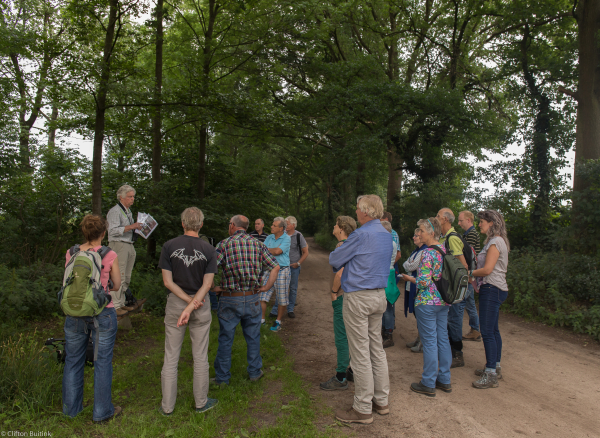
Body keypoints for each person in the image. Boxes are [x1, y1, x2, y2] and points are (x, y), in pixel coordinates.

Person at [329, 195, 392, 425]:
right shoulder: (386, 234)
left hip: (359, 297)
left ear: (365, 211)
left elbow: (336, 259)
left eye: (357, 208)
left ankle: (363, 408)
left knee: (360, 353)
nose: (355, 211)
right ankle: (381, 401)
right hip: (379, 296)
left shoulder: (361, 234)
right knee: (376, 348)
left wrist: (343, 251)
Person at [158, 207, 218, 415]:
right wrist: (193, 302)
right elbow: (208, 285)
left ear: (182, 223)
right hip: (200, 305)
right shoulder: (209, 250)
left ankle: (167, 407)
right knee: (200, 356)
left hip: (176, 304)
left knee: (171, 356)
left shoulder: (169, 246)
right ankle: (201, 403)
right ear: (201, 225)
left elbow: (168, 281)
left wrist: (186, 301)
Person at [62, 215, 122, 423]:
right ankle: (102, 411)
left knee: (72, 360)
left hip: (74, 313)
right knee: (102, 362)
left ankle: (71, 409)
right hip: (102, 313)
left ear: (84, 232)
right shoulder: (109, 253)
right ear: (103, 233)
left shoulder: (72, 252)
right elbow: (117, 284)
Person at [211, 215, 280, 385]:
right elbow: (275, 266)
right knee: (253, 336)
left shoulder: (224, 244)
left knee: (226, 338)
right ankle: (255, 372)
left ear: (233, 225)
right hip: (252, 297)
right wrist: (265, 287)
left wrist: (213, 287)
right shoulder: (258, 244)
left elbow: (210, 267)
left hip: (229, 298)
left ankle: (222, 378)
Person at [401, 217, 452, 397]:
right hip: (443, 301)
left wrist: (409, 279)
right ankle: (445, 379)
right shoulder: (444, 250)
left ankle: (428, 381)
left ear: (430, 232)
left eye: (421, 231)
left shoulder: (428, 253)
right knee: (442, 339)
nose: (419, 234)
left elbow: (423, 281)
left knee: (430, 341)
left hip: (427, 302)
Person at [470, 210, 510, 389]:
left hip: (492, 288)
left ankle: (491, 373)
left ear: (492, 223)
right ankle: (494, 366)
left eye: (482, 222)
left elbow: (487, 270)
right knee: (493, 330)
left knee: (486, 331)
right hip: (495, 288)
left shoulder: (495, 242)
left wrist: (468, 274)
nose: (479, 224)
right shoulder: (495, 241)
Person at [320, 215, 357, 391]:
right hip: (353, 296)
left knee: (341, 336)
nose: (333, 227)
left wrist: (334, 293)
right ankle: (352, 370)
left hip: (342, 296)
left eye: (335, 225)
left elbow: (340, 273)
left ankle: (341, 376)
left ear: (341, 229)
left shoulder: (342, 246)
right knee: (353, 336)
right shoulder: (354, 245)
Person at [106, 185, 146, 317]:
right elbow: (112, 231)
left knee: (127, 276)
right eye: (130, 197)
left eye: (133, 196)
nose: (132, 199)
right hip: (119, 244)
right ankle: (114, 305)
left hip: (129, 244)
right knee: (119, 274)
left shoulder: (128, 211)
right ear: (121, 197)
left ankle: (121, 302)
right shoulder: (115, 211)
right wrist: (131, 226)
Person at [436, 208, 468, 368]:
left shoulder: (452, 238)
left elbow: (462, 265)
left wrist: (456, 288)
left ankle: (457, 354)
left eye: (438, 216)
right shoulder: (443, 237)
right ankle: (449, 351)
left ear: (446, 220)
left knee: (454, 319)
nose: (436, 218)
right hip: (446, 285)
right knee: (448, 319)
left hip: (453, 287)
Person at [268, 216, 308, 319]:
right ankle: (275, 310)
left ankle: (290, 309)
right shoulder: (282, 235)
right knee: (280, 288)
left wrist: (298, 263)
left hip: (293, 267)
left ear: (293, 225)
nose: (285, 225)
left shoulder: (299, 236)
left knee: (293, 288)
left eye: (288, 223)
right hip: (281, 266)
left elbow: (306, 252)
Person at [261, 217, 291, 331]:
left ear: (281, 228)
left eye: (274, 225)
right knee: (262, 295)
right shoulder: (269, 237)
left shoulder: (286, 238)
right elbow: (262, 251)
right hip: (269, 269)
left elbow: (278, 251)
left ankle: (278, 321)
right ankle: (262, 320)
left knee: (282, 298)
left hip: (282, 270)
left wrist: (266, 249)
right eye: (272, 225)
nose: (271, 227)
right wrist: (271, 250)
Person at [458, 210, 482, 341]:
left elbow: (468, 255)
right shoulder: (468, 234)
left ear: (468, 220)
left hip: (468, 273)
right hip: (469, 273)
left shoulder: (472, 234)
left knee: (462, 303)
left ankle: (456, 330)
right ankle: (475, 329)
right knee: (470, 302)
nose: (459, 223)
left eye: (461, 220)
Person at [403, 228, 428, 353]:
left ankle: (423, 343)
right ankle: (419, 339)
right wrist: (409, 264)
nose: (414, 237)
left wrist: (409, 264)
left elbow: (411, 265)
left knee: (421, 316)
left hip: (417, 285)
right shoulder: (416, 251)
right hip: (411, 284)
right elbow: (406, 263)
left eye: (416, 235)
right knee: (417, 315)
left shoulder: (423, 251)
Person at [380, 220, 402, 348]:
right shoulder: (392, 243)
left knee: (387, 305)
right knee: (387, 304)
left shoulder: (385, 243)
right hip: (390, 272)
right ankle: (385, 331)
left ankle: (388, 333)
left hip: (386, 274)